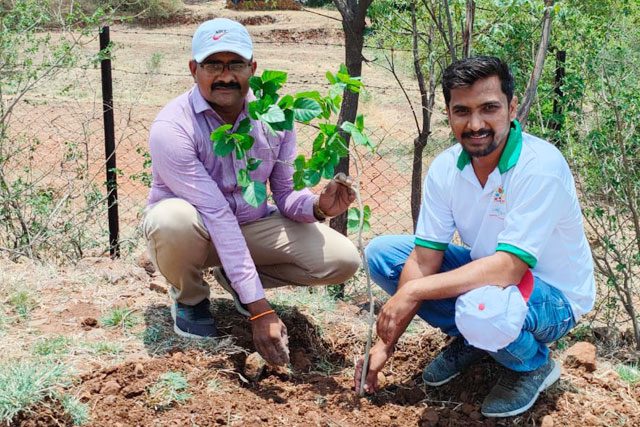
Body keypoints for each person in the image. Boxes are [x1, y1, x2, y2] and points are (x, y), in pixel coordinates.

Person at [355, 56, 595, 418]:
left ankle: (533, 365)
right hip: (490, 278)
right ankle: (477, 339)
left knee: (482, 310)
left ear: (512, 108)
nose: (476, 123)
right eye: (462, 111)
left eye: (489, 108)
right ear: (449, 114)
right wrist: (385, 345)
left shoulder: (540, 166)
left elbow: (509, 269)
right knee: (382, 255)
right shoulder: (446, 169)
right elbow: (424, 260)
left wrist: (413, 291)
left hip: (553, 297)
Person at [143, 18, 360, 366]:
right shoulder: (173, 127)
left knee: (342, 259)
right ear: (193, 69)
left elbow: (285, 194)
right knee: (172, 219)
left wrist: (319, 206)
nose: (225, 75)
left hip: (248, 225)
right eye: (213, 64)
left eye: (236, 65)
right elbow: (215, 213)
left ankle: (238, 278)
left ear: (253, 69)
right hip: (195, 231)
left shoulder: (275, 118)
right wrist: (260, 312)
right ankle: (191, 298)